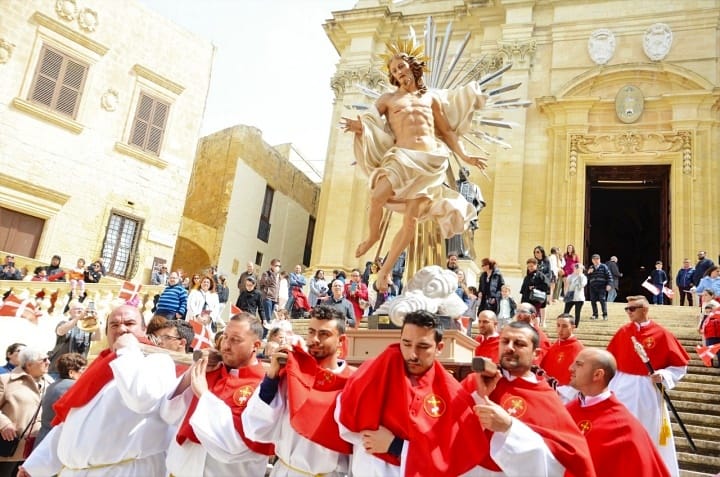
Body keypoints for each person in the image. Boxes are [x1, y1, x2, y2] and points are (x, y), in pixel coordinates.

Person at [342, 41, 487, 293]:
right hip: (401, 157)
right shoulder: (388, 99)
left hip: (430, 161)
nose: (398, 72)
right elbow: (371, 121)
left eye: (401, 66)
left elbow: (447, 131)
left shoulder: (430, 98)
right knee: (377, 195)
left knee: (410, 221)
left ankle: (384, 272)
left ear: (412, 67)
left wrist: (465, 156)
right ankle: (373, 235)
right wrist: (360, 127)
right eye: (394, 70)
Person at [20, 304, 177, 477]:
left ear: (144, 329)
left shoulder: (158, 361)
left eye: (129, 323)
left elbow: (143, 399)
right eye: (114, 325)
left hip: (124, 471)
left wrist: (127, 351)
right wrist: (34, 466)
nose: (122, 329)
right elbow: (71, 423)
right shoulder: (100, 367)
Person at [337, 310, 487, 476]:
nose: (412, 355)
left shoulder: (452, 393)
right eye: (406, 344)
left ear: (439, 348)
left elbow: (453, 454)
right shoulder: (374, 371)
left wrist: (397, 446)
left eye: (423, 347)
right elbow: (346, 421)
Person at [465, 321, 596, 476]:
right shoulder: (475, 381)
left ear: (536, 354)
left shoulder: (545, 396)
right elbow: (448, 432)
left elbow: (566, 459)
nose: (509, 347)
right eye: (505, 341)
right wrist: (479, 397)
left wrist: (509, 428)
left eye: (519, 343)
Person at [242, 306, 354, 477]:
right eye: (311, 332)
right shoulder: (293, 373)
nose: (315, 339)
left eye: (324, 334)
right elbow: (257, 427)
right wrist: (272, 376)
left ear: (341, 340)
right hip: (285, 470)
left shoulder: (352, 384)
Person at [160, 313, 275, 476]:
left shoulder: (263, 388)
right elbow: (169, 414)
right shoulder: (211, 370)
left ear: (256, 345)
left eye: (235, 340)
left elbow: (233, 447)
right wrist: (193, 371)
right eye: (225, 337)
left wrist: (204, 396)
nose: (226, 345)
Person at [607, 295, 690, 476]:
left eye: (632, 308)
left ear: (644, 309)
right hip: (621, 389)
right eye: (626, 309)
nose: (628, 312)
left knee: (649, 432)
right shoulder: (623, 332)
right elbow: (609, 361)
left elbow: (679, 365)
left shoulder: (661, 333)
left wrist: (664, 375)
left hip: (648, 391)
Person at [566, 348, 670, 476]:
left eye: (579, 364)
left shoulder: (625, 428)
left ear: (597, 375)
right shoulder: (566, 411)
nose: (570, 368)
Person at [0, 348, 52, 476]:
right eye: (44, 360)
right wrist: (3, 423)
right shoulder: (6, 380)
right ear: (29, 364)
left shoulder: (51, 383)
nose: (49, 362)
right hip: (7, 447)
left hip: (35, 451)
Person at [35, 353, 86, 446]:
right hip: (57, 440)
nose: (85, 373)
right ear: (71, 373)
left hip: (44, 437)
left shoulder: (53, 385)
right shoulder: (74, 387)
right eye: (83, 370)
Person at [47, 301, 99, 379]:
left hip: (77, 371)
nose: (80, 311)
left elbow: (97, 337)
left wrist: (96, 321)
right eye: (77, 309)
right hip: (58, 371)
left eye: (82, 309)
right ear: (70, 312)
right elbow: (60, 331)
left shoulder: (85, 326)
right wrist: (78, 318)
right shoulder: (64, 323)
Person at [540, 314, 584, 403]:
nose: (560, 329)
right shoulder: (554, 346)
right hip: (547, 391)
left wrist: (562, 391)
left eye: (564, 326)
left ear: (573, 327)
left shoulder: (579, 349)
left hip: (566, 395)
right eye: (558, 325)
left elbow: (581, 375)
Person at [519, 258, 550, 326]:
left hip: (536, 299)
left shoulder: (541, 276)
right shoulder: (527, 277)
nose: (530, 268)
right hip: (527, 299)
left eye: (532, 266)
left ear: (536, 265)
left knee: (535, 314)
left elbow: (546, 286)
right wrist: (522, 302)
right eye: (529, 266)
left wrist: (535, 287)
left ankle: (536, 328)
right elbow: (524, 290)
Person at [586, 254, 612, 320]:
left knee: (602, 300)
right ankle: (595, 315)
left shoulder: (604, 266)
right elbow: (587, 278)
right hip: (593, 287)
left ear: (599, 259)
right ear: (592, 260)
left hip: (602, 286)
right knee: (593, 301)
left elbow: (609, 276)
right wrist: (588, 273)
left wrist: (609, 284)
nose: (596, 260)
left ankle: (605, 315)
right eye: (594, 259)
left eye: (597, 259)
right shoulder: (591, 267)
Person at [563, 263, 588, 327]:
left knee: (577, 312)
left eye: (578, 268)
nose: (577, 269)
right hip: (570, 296)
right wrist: (565, 294)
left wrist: (579, 276)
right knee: (566, 312)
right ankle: (565, 323)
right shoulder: (570, 276)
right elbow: (566, 285)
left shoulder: (583, 277)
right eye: (576, 268)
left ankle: (576, 325)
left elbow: (581, 285)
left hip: (579, 297)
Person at [258, 259, 281, 324]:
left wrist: (277, 301)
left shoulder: (278, 276)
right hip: (267, 297)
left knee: (269, 317)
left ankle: (264, 332)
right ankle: (265, 332)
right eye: (276, 265)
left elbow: (278, 288)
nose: (278, 267)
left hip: (274, 298)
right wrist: (273, 275)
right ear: (272, 266)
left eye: (279, 266)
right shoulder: (266, 274)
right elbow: (264, 283)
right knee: (268, 318)